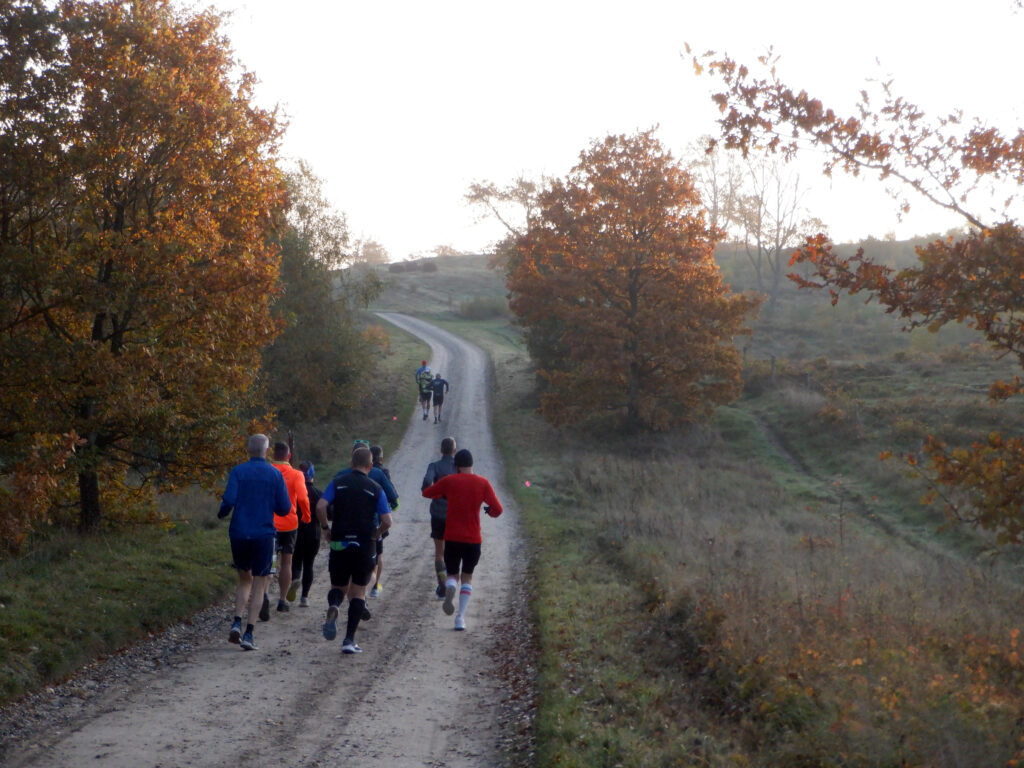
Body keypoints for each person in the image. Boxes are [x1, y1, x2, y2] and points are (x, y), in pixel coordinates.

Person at [218, 433, 292, 651]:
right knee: (260, 581)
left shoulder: (238, 471)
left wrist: (222, 512)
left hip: (239, 532)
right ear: (267, 450)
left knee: (244, 579)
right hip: (263, 534)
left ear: (248, 449)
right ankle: (249, 633)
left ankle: (236, 621)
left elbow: (229, 499)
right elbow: (285, 508)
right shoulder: (274, 474)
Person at [316, 445, 392, 654]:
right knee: (358, 592)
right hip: (363, 544)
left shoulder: (338, 482)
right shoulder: (376, 488)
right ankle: (349, 640)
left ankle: (334, 606)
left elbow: (321, 506)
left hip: (339, 541)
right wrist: (376, 534)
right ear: (370, 465)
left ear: (351, 464)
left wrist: (325, 528)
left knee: (338, 587)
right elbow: (387, 520)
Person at [421, 448, 502, 631]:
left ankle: (450, 587)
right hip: (473, 539)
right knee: (468, 577)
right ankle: (460, 618)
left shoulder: (449, 481)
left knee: (452, 574)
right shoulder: (483, 483)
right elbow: (498, 509)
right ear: (472, 465)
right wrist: (488, 511)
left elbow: (427, 493)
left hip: (453, 537)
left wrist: (442, 494)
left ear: (456, 466)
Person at [332, 440, 399, 617]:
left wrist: (326, 525)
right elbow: (394, 499)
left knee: (345, 570)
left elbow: (326, 504)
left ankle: (347, 602)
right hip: (371, 528)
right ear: (369, 461)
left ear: (352, 459)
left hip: (343, 529)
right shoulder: (377, 474)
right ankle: (368, 593)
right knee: (371, 563)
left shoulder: (340, 475)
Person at [269, 441, 309, 613]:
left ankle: (262, 594)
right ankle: (282, 600)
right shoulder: (296, 474)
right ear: (289, 456)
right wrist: (306, 516)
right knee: (286, 562)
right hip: (289, 523)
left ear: (273, 454)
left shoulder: (267, 471)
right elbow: (302, 498)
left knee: (269, 561)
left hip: (268, 523)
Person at [421, 436, 457, 598]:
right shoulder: (459, 467)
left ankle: (442, 585)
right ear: (454, 450)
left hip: (437, 512)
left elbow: (427, 481)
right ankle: (450, 581)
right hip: (455, 514)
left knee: (439, 552)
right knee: (452, 550)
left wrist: (431, 490)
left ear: (441, 450)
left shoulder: (434, 466)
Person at [288, 461, 322, 607]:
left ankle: (295, 578)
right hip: (313, 533)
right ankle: (304, 598)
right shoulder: (318, 493)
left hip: (296, 532)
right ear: (312, 475)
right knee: (309, 564)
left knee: (296, 562)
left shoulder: (294, 493)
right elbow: (330, 513)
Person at [369, 445, 393, 597]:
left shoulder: (365, 471)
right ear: (381, 459)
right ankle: (375, 584)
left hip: (364, 518)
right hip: (379, 518)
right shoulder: (383, 473)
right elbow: (391, 493)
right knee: (378, 554)